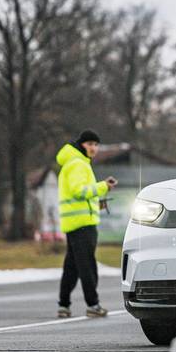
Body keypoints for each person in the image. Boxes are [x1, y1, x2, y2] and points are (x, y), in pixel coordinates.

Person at [56, 130, 117, 318]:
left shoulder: (73, 163)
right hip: (83, 224)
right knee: (87, 266)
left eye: (96, 144)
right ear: (81, 144)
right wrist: (103, 186)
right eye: (90, 144)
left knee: (72, 267)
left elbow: (79, 195)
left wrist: (96, 202)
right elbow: (79, 191)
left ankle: (64, 305)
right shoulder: (78, 164)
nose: (93, 148)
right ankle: (93, 305)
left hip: (75, 222)